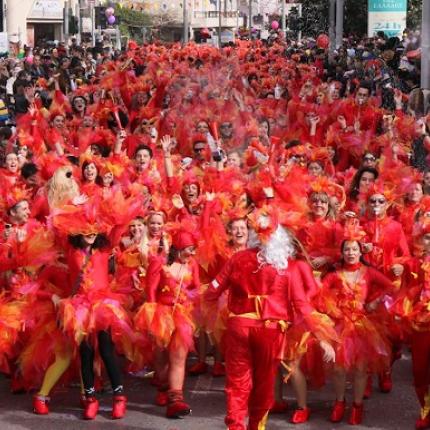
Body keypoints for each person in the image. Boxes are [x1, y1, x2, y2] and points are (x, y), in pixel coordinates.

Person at [205, 209, 336, 430]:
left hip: (239, 327)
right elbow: (302, 305)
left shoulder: (238, 258)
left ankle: (236, 426)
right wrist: (321, 337)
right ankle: (257, 426)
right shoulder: (288, 267)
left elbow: (211, 292)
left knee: (237, 383)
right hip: (271, 330)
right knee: (264, 384)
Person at [320, 235, 393, 425]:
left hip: (362, 326)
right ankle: (339, 402)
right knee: (339, 368)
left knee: (361, 369)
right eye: (347, 250)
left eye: (354, 249)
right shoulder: (334, 275)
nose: (350, 253)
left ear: (361, 252)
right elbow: (319, 293)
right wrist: (330, 308)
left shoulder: (369, 272)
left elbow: (390, 287)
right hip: (340, 326)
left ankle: (357, 405)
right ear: (342, 253)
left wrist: (375, 301)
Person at [134, 229, 200, 418]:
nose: (192, 253)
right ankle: (163, 387)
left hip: (182, 314)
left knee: (178, 357)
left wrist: (189, 297)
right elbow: (151, 291)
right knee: (161, 356)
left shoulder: (192, 264)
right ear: (178, 247)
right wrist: (152, 314)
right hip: (161, 313)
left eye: (193, 249)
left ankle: (175, 400)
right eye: (189, 249)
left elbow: (195, 286)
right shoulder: (158, 262)